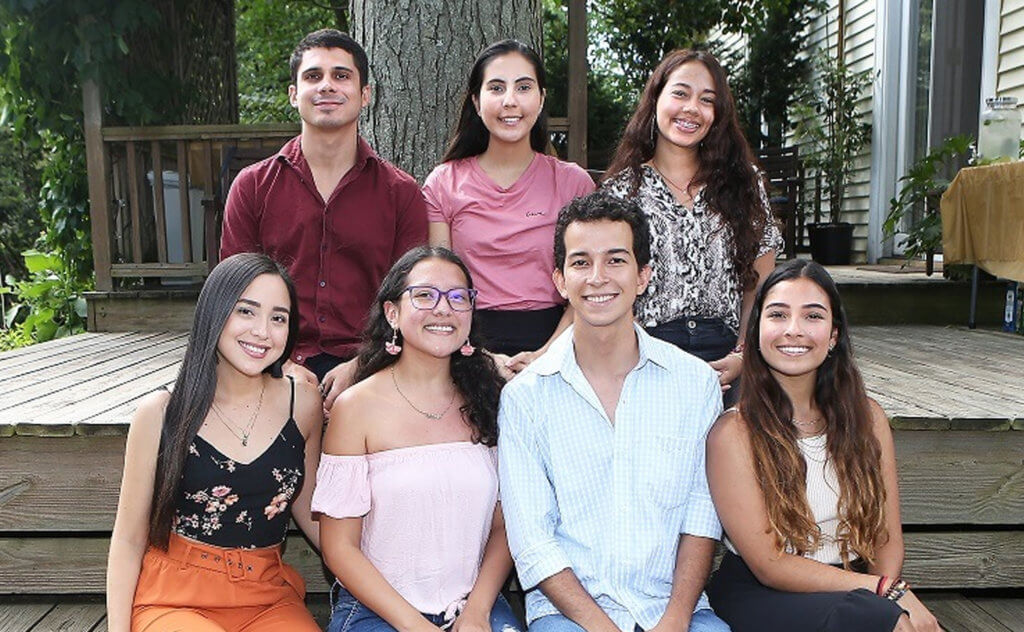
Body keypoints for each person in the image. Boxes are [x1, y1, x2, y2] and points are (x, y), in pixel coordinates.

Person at [498, 192, 729, 632]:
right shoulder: (526, 397)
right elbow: (532, 540)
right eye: (581, 262)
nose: (598, 278)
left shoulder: (694, 384)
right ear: (560, 280)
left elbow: (701, 515)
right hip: (571, 617)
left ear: (644, 276)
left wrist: (677, 618)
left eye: (616, 261)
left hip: (677, 611)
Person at [705, 259, 942, 632]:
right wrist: (885, 591)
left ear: (833, 335)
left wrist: (885, 589)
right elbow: (770, 565)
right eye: (778, 315)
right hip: (763, 594)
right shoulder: (733, 433)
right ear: (757, 331)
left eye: (813, 317)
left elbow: (886, 537)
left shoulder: (868, 418)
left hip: (856, 586)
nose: (794, 331)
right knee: (883, 622)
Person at [106, 253, 323, 632]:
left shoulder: (302, 404)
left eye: (278, 318)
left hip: (266, 596)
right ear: (214, 313)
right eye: (246, 311)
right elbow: (128, 539)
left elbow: (310, 507)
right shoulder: (160, 414)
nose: (262, 331)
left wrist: (370, 565)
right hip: (175, 598)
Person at [312, 246, 521, 632]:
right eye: (425, 295)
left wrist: (476, 611)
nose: (443, 309)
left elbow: (505, 525)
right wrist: (416, 626)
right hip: (378, 609)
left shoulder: (492, 401)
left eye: (459, 297)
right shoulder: (356, 407)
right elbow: (340, 548)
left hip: (474, 602)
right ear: (393, 313)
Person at [221, 28, 428, 412]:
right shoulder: (252, 187)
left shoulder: (402, 193)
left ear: (365, 95)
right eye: (313, 76)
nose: (327, 86)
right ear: (293, 94)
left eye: (342, 76)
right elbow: (232, 295)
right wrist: (279, 363)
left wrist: (361, 366)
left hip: (374, 365)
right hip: (267, 359)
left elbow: (412, 299)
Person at [602, 49, 782, 402]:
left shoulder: (743, 184)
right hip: (648, 355)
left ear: (717, 115)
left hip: (727, 355)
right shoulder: (621, 192)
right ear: (656, 99)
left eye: (707, 100)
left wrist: (742, 356)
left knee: (732, 452)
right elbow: (610, 286)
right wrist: (649, 359)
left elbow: (761, 284)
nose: (691, 108)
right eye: (680, 93)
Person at [424, 39, 595, 373]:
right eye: (497, 88)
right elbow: (440, 284)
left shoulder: (573, 183)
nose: (510, 101)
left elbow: (589, 282)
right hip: (465, 345)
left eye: (524, 87)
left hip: (561, 343)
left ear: (541, 98)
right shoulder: (444, 183)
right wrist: (479, 356)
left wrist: (548, 354)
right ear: (476, 100)